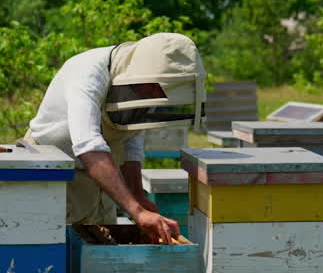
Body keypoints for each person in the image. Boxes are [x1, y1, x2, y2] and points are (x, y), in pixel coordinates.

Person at [22, 32, 205, 243]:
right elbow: (88, 146)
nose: (156, 94)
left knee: (102, 257)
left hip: (103, 178)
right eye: (155, 87)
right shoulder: (87, 74)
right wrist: (137, 211)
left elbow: (131, 141)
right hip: (54, 173)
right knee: (58, 259)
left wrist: (136, 196)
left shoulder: (152, 85)